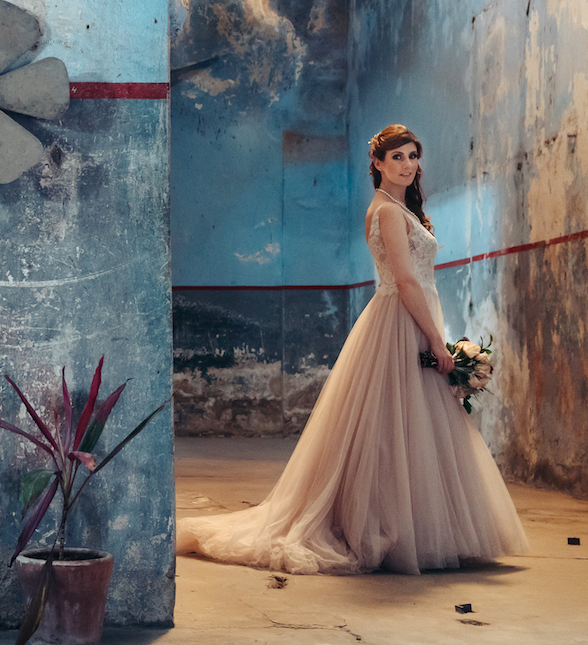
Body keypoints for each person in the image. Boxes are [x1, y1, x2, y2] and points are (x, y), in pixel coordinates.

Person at [176, 124, 528, 574]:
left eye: (413, 156)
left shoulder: (405, 209)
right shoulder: (385, 212)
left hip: (413, 318)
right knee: (387, 426)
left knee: (411, 425)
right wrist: (437, 341)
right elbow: (404, 280)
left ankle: (416, 526)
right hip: (398, 321)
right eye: (396, 157)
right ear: (377, 164)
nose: (407, 165)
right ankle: (379, 525)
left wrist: (437, 334)